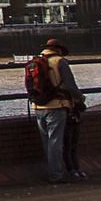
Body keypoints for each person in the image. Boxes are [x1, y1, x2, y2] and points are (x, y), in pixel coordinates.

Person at [31, 38, 84, 183]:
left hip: (38, 106)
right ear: (59, 49)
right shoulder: (60, 62)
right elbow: (71, 87)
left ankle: (54, 171)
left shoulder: (35, 61)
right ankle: (56, 174)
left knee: (47, 142)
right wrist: (81, 98)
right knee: (56, 141)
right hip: (57, 105)